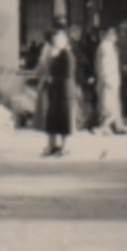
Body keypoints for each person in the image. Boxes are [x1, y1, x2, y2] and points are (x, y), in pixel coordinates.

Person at [38, 29, 80, 157]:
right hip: (55, 90)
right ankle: (52, 145)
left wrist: (52, 78)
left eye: (59, 39)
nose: (56, 42)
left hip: (64, 91)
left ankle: (64, 147)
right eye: (54, 40)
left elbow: (68, 74)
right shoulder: (54, 54)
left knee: (64, 119)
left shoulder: (67, 54)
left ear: (65, 40)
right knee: (52, 118)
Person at [95, 27, 127, 135]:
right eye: (113, 35)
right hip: (109, 78)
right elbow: (103, 65)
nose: (115, 37)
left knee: (113, 103)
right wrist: (104, 77)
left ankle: (117, 125)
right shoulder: (105, 47)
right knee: (108, 104)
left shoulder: (110, 46)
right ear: (108, 36)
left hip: (113, 79)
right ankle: (106, 126)